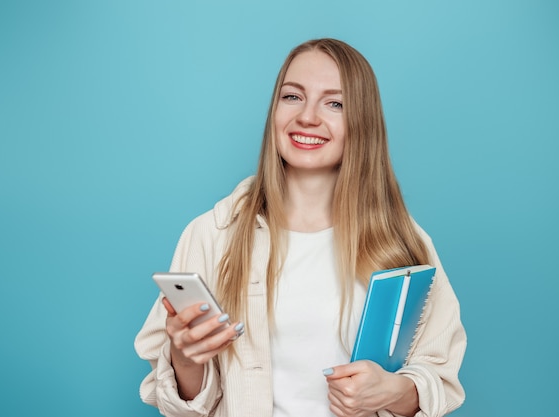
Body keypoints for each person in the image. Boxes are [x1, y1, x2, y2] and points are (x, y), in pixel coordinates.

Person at [135, 38, 466, 417]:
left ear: (363, 121)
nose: (307, 117)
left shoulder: (402, 241)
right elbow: (181, 407)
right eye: (292, 97)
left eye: (335, 103)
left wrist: (393, 392)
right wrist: (186, 359)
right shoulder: (213, 234)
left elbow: (440, 379)